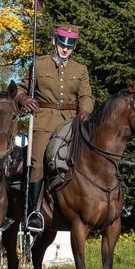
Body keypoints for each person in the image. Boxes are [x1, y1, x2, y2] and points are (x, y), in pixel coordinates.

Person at [15, 24, 94, 232]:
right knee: (38, 161)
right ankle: (34, 212)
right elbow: (20, 89)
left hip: (70, 122)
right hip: (43, 121)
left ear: (74, 46)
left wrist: (85, 111)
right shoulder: (38, 65)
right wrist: (23, 98)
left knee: (82, 160)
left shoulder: (80, 69)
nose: (65, 49)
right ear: (54, 42)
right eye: (62, 44)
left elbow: (86, 96)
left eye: (70, 45)